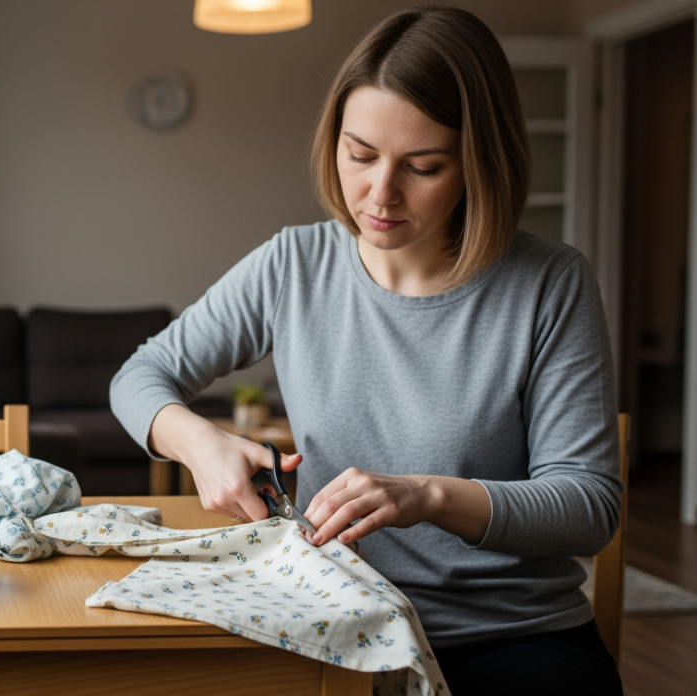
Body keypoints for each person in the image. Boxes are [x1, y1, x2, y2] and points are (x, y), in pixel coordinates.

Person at [109, 7, 623, 695]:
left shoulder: (550, 284)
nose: (379, 195)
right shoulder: (294, 264)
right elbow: (141, 375)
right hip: (333, 619)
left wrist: (427, 495)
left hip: (512, 635)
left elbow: (587, 506)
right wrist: (199, 444)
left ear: (479, 163)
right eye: (360, 154)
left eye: (424, 166)